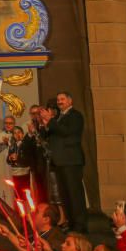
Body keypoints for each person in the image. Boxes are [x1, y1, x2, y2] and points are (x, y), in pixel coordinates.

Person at [45, 92, 87, 232]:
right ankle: (71, 222)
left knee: (74, 194)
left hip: (71, 160)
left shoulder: (75, 116)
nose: (59, 102)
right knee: (65, 195)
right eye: (58, 100)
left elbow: (66, 132)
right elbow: (49, 135)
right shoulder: (57, 117)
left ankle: (80, 225)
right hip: (59, 162)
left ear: (70, 100)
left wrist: (50, 121)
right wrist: (45, 124)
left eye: (62, 99)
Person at [7, 124, 36, 197]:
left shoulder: (27, 144)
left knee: (26, 194)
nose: (17, 135)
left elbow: (29, 158)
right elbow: (7, 160)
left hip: (25, 174)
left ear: (23, 134)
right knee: (17, 195)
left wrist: (18, 158)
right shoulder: (12, 146)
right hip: (15, 174)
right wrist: (10, 158)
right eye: (15, 133)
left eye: (19, 132)